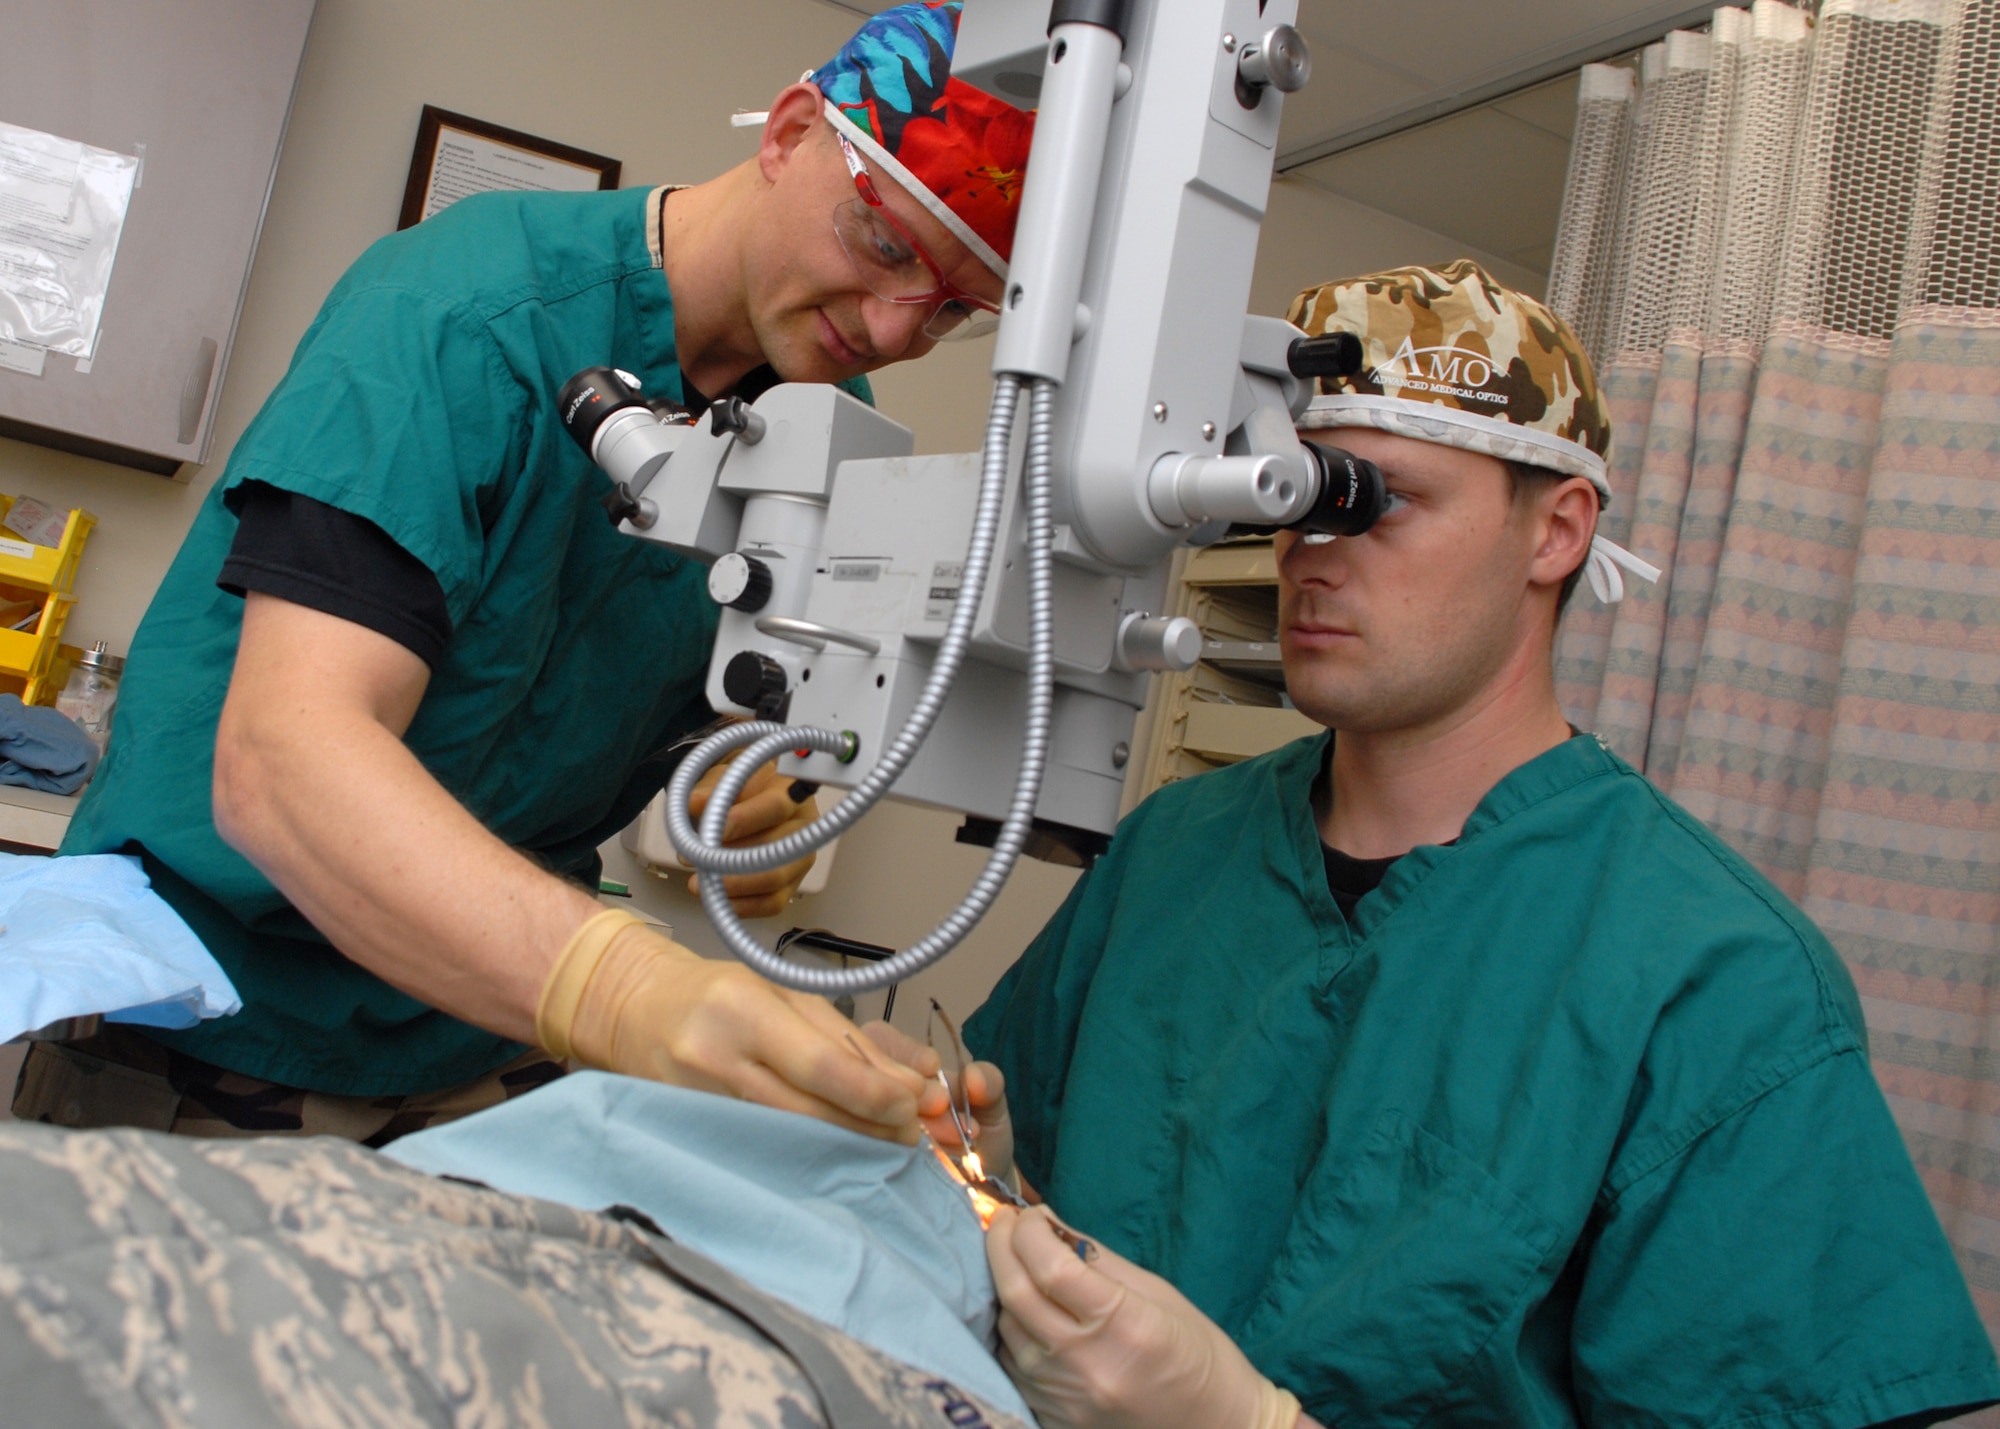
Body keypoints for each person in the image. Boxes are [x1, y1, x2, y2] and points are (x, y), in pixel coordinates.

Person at [912, 262, 2000, 1427]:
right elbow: (1007, 1165)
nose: (1311, 551)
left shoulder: (1717, 981)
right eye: (1292, 496)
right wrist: (978, 1168)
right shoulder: (1175, 851)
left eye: (1377, 500)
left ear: (1555, 531)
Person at [17, 1, 1030, 1145]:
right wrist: (625, 988)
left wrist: (757, 801)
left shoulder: (822, 426)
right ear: (791, 132)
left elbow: (668, 724)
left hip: (473, 1035)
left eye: (951, 308)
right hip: (212, 1011)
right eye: (884, 244)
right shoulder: (464, 312)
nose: (896, 327)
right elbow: (284, 762)